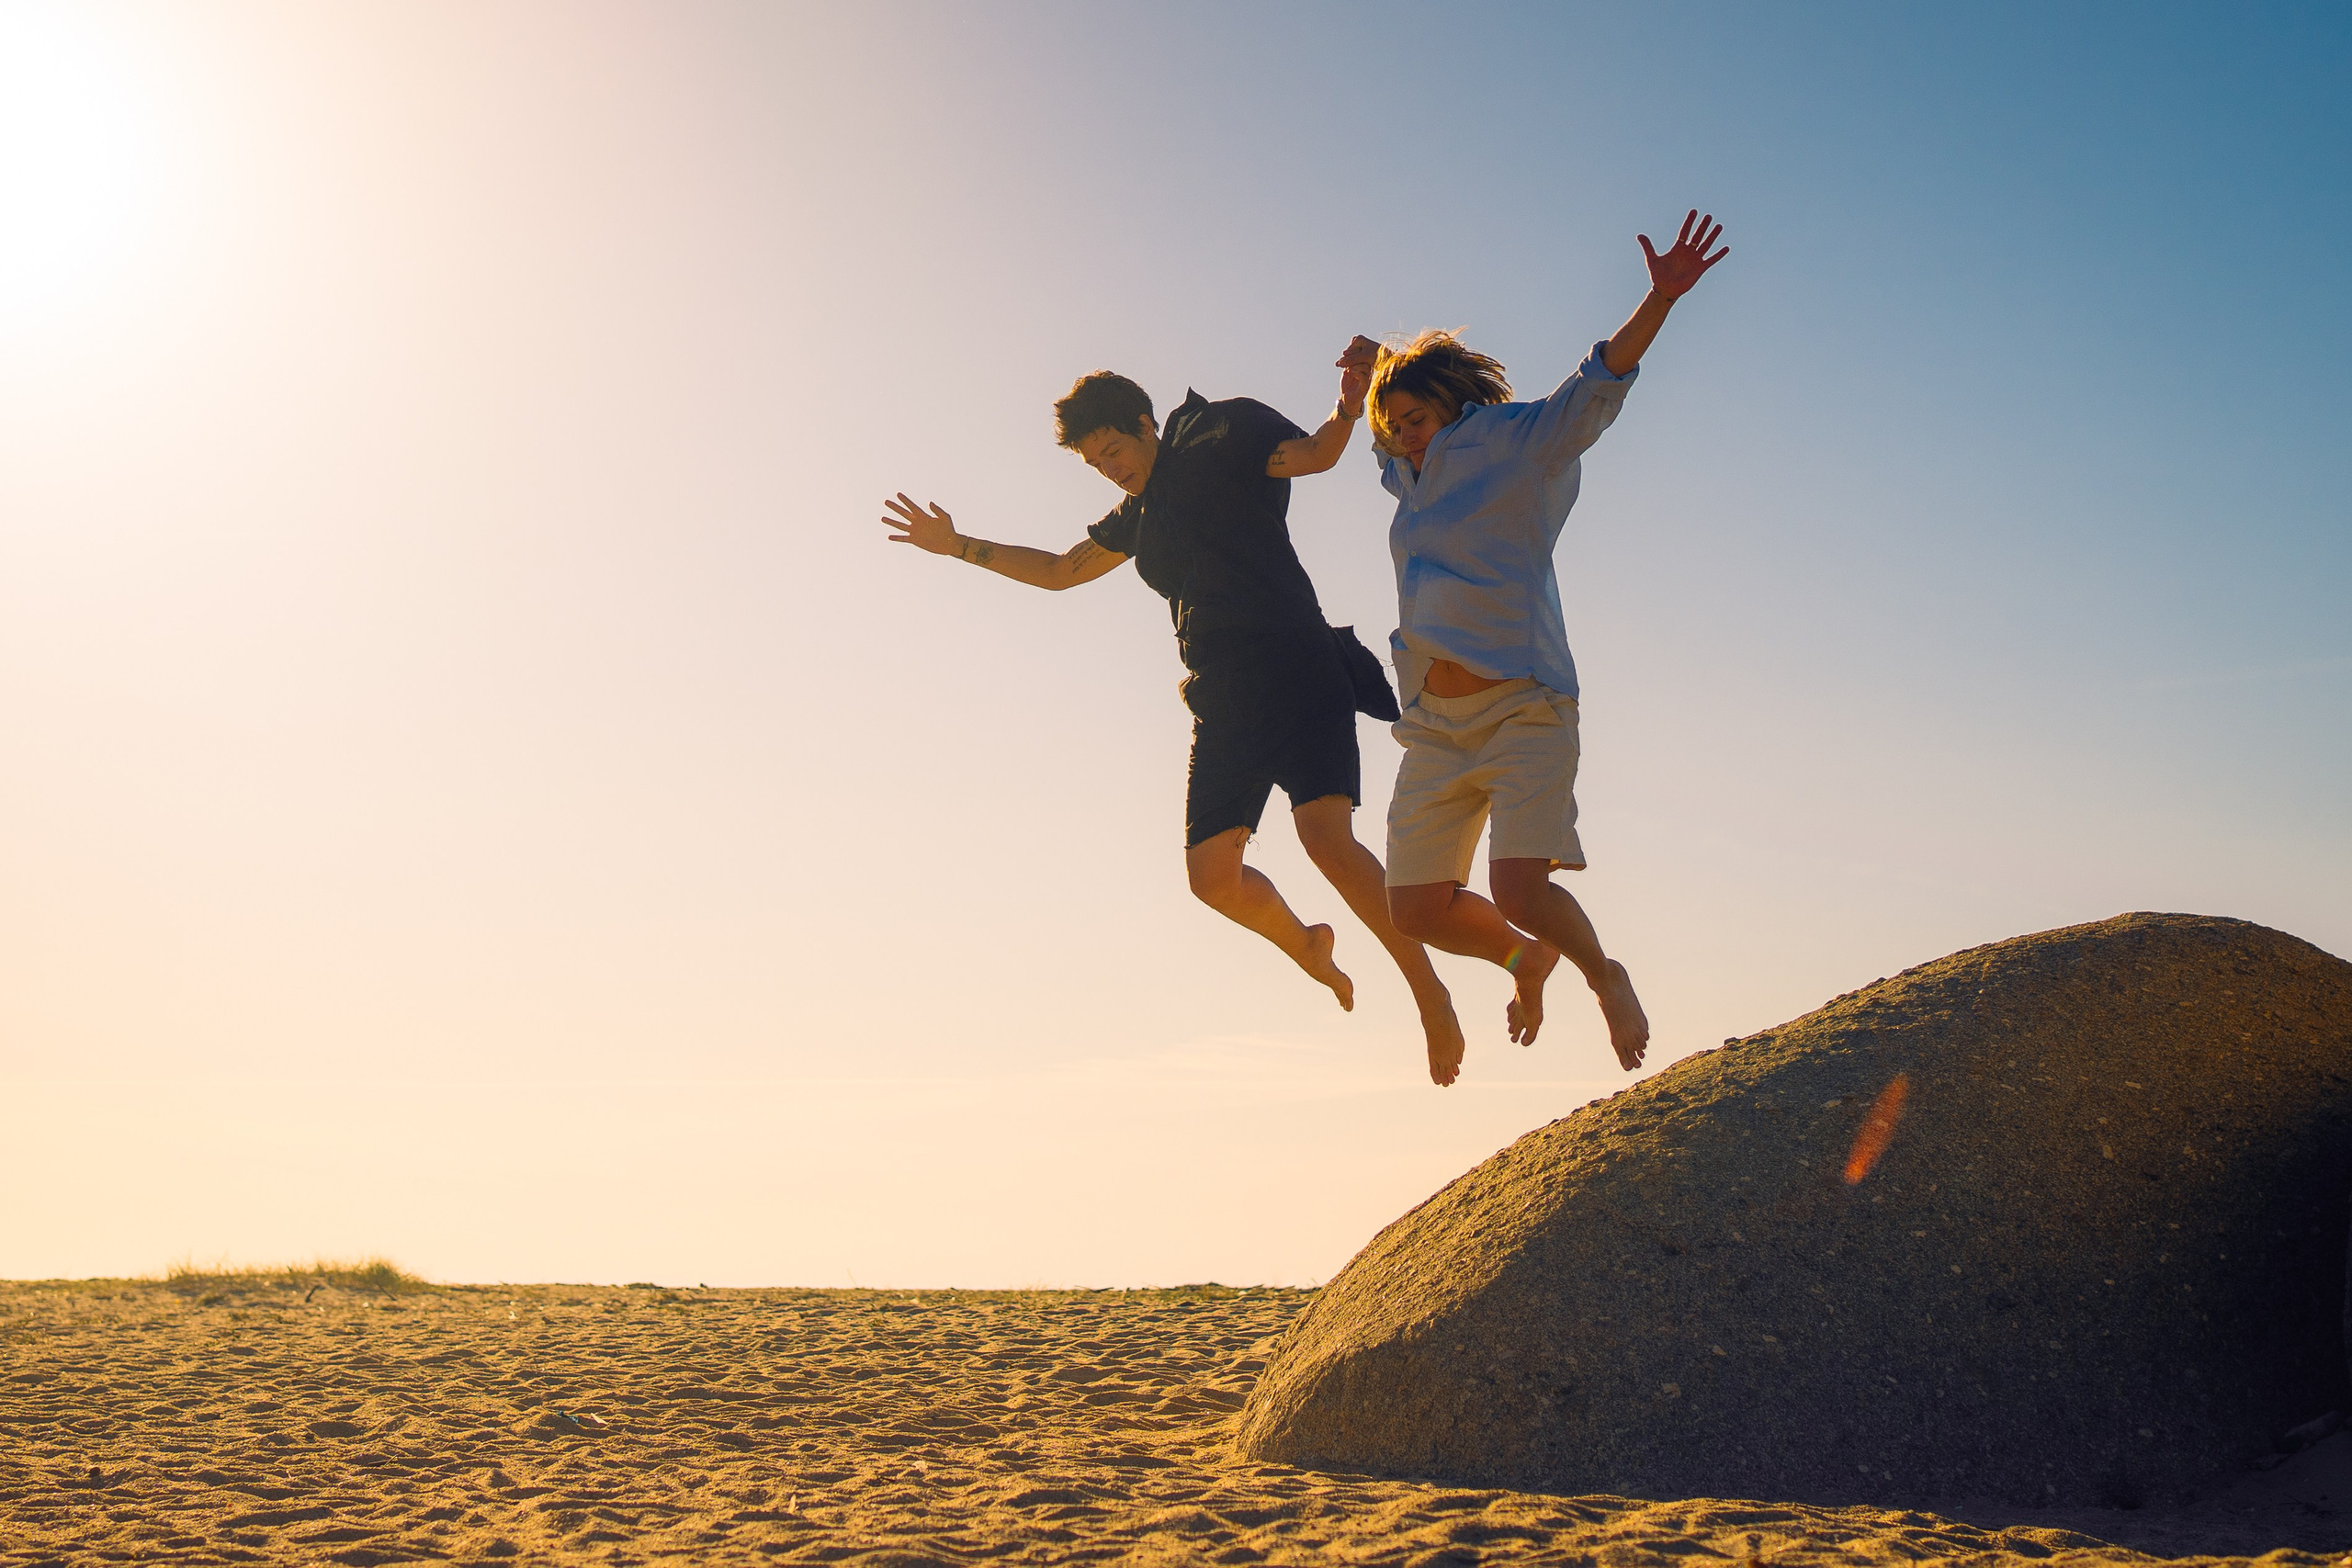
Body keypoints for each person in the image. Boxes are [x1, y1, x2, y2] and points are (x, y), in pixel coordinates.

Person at [879, 344, 1476, 1085]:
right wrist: (958, 545)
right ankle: (1309, 946)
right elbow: (1061, 571)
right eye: (1096, 463)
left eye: (1114, 449)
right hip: (1223, 698)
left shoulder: (1221, 437)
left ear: (1144, 422)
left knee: (1325, 839)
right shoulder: (1138, 516)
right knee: (1211, 876)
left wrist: (1350, 406)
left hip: (1294, 662)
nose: (1111, 468)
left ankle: (1429, 993)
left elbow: (1318, 454)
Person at [1365, 209, 1731, 1073]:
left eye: (1415, 419)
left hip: (1523, 707)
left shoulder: (1516, 444)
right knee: (1414, 906)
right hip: (1434, 725)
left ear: (1452, 405)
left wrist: (1660, 299)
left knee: (1519, 887)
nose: (1405, 439)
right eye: (1396, 429)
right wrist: (1367, 380)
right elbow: (1380, 448)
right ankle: (1525, 961)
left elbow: (1595, 383)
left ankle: (1604, 976)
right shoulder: (1405, 477)